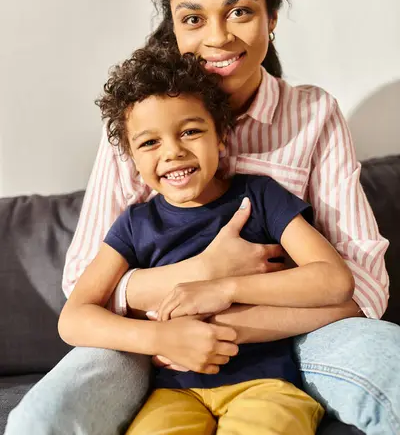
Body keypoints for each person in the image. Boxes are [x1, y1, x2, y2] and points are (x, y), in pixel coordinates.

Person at [6, 0, 399, 435]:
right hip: (150, 344)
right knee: (40, 420)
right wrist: (197, 277)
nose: (217, 37)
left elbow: (363, 284)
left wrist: (225, 318)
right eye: (193, 19)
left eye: (240, 11)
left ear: (272, 17)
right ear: (173, 28)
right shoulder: (136, 124)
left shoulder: (313, 115)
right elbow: (81, 290)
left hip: (293, 336)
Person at [57, 47, 348, 434]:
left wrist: (225, 288)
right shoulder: (134, 224)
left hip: (267, 386)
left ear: (222, 136)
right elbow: (74, 317)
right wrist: (159, 336)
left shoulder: (260, 197)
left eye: (190, 131)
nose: (174, 152)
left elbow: (334, 281)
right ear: (130, 156)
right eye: (149, 143)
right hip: (172, 394)